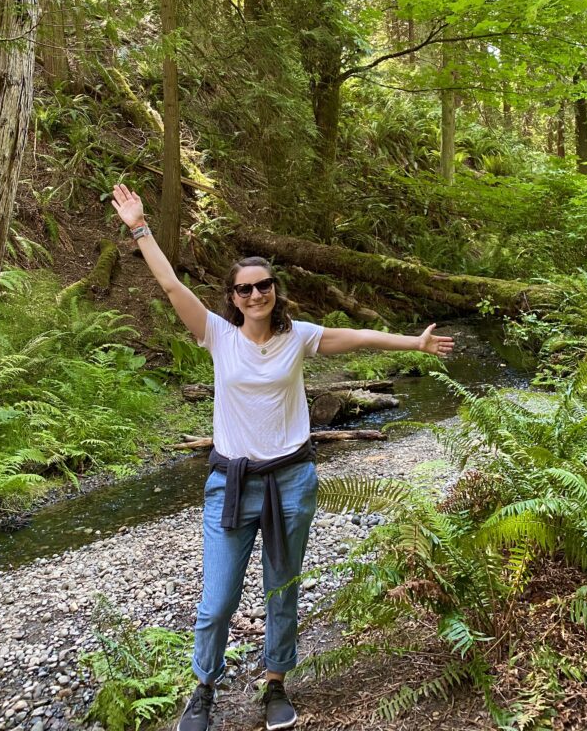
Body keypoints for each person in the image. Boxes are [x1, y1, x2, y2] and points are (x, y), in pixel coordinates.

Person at [110, 183, 454, 731]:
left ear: (276, 289)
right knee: (218, 599)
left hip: (292, 479)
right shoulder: (217, 336)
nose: (255, 296)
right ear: (233, 297)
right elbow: (171, 284)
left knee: (282, 586)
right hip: (231, 482)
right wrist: (139, 226)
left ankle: (275, 686)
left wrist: (412, 343)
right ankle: (202, 689)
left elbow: (355, 335)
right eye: (245, 289)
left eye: (263, 285)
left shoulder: (298, 337)